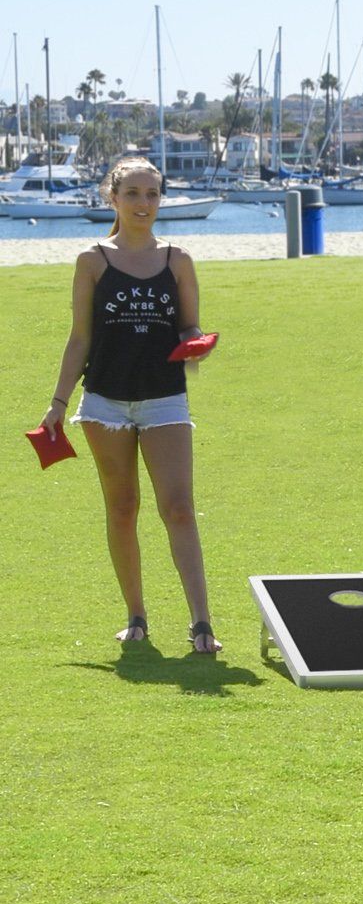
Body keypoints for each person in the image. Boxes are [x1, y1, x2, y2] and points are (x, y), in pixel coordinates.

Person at [38, 155, 218, 652]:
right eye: (133, 194)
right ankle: (136, 617)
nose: (143, 204)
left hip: (165, 400)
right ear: (111, 198)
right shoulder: (92, 260)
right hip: (104, 403)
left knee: (179, 507)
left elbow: (188, 324)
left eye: (152, 194)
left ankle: (202, 623)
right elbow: (80, 338)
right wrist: (58, 402)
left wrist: (196, 342)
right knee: (122, 507)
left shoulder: (177, 258)